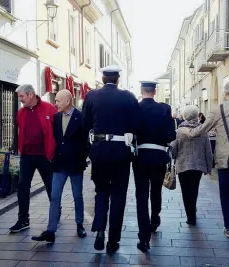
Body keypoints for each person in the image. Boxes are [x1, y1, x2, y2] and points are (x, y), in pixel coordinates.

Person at [82, 65, 139, 254]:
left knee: (101, 191)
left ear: (103, 78)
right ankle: (113, 240)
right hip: (121, 152)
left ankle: (99, 229)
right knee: (118, 195)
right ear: (117, 80)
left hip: (99, 151)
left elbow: (86, 124)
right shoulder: (129, 97)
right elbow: (135, 125)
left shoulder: (91, 96)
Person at [32, 89, 88, 242]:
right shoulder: (56, 118)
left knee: (77, 196)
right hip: (59, 165)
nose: (55, 103)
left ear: (67, 101)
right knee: (55, 196)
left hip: (75, 164)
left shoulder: (81, 117)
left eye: (57, 100)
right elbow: (56, 139)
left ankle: (79, 224)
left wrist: (82, 158)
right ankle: (51, 231)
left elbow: (86, 143)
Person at [180, 80, 229, 237]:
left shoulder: (219, 109)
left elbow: (201, 130)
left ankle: (228, 227)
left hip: (226, 159)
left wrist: (185, 131)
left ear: (225, 93)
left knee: (226, 194)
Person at [132, 81, 176, 253]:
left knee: (141, 195)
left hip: (140, 157)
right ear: (155, 91)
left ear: (141, 91)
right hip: (158, 156)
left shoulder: (135, 108)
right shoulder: (164, 109)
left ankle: (143, 238)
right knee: (156, 190)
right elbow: (170, 135)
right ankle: (155, 219)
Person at [10, 84, 57, 233]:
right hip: (27, 156)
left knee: (51, 187)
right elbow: (19, 131)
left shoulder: (50, 109)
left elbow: (57, 131)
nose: (20, 99)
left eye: (22, 96)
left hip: (45, 156)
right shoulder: (21, 113)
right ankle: (23, 220)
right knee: (22, 187)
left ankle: (55, 214)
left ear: (31, 95)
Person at [171, 105, 212, 226]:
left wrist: (173, 157)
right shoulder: (202, 132)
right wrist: (208, 167)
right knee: (194, 189)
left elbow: (173, 149)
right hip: (198, 166)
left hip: (183, 165)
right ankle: (193, 210)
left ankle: (190, 216)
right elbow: (208, 151)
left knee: (185, 191)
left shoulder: (178, 132)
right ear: (196, 115)